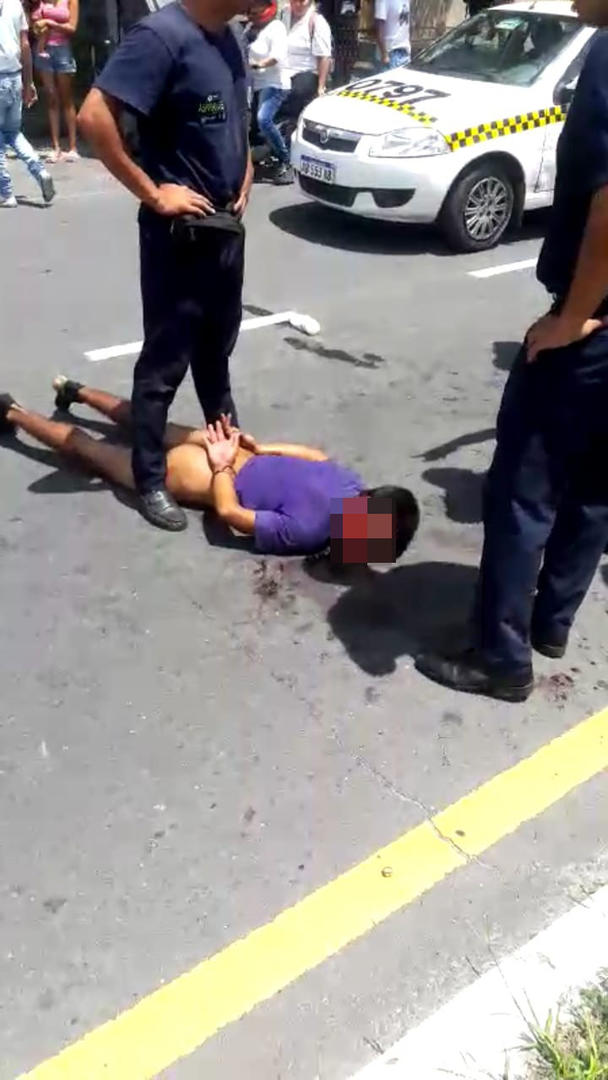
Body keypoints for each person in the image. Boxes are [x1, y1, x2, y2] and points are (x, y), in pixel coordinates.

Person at [416, 0, 608, 703]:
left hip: (592, 329)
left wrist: (575, 317)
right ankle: (550, 621)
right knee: (595, 485)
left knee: (523, 489)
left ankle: (501, 658)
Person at [77, 0, 253, 533]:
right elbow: (93, 117)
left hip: (225, 231)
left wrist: (244, 173)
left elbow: (236, 119)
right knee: (164, 365)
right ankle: (150, 478)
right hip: (179, 238)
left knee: (215, 354)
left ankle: (230, 458)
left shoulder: (231, 37)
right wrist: (154, 194)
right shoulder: (161, 37)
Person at [0, 378, 420, 559]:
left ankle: (75, 390)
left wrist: (259, 447)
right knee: (96, 454)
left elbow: (313, 454)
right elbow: (230, 514)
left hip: (228, 446)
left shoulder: (351, 484)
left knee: (145, 421)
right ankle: (12, 412)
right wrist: (221, 470)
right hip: (204, 471)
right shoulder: (309, 533)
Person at [0, 0, 54, 207]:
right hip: (14, 77)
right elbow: (25, 45)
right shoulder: (15, 5)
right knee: (13, 132)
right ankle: (40, 171)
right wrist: (28, 82)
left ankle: (6, 193)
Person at [247, 0, 293, 184]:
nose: (253, 10)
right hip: (255, 84)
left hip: (275, 83)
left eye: (258, 6)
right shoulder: (249, 29)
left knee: (263, 119)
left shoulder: (276, 27)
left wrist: (259, 64)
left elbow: (277, 55)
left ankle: (286, 160)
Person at [32, 0, 79, 162]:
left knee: (67, 99)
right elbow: (34, 26)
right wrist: (38, 26)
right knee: (51, 98)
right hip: (44, 49)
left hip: (63, 49)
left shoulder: (71, 1)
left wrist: (50, 23)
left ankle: (73, 147)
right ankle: (56, 147)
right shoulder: (41, 3)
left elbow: (72, 28)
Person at [282, 0, 332, 112]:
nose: (298, 4)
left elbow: (324, 57)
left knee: (297, 92)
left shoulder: (317, 22)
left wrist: (321, 87)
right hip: (282, 70)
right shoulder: (283, 14)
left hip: (305, 71)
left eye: (302, 1)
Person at [319, 0, 359, 87]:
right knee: (338, 72)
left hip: (350, 34)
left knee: (348, 67)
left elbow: (356, 9)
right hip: (336, 36)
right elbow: (324, 15)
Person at [375, 0, 409, 70]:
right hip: (391, 53)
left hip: (405, 51)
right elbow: (379, 28)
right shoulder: (383, 2)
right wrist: (384, 54)